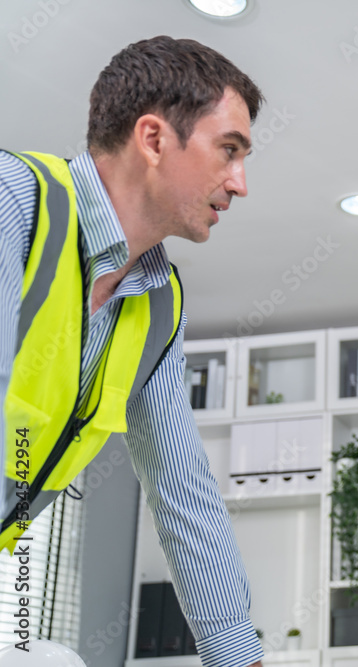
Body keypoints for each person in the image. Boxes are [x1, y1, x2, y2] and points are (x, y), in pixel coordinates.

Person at [0, 36, 266, 666]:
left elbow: (183, 489)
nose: (241, 183)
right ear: (152, 139)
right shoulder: (13, 206)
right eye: (229, 151)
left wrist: (236, 656)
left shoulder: (156, 304)